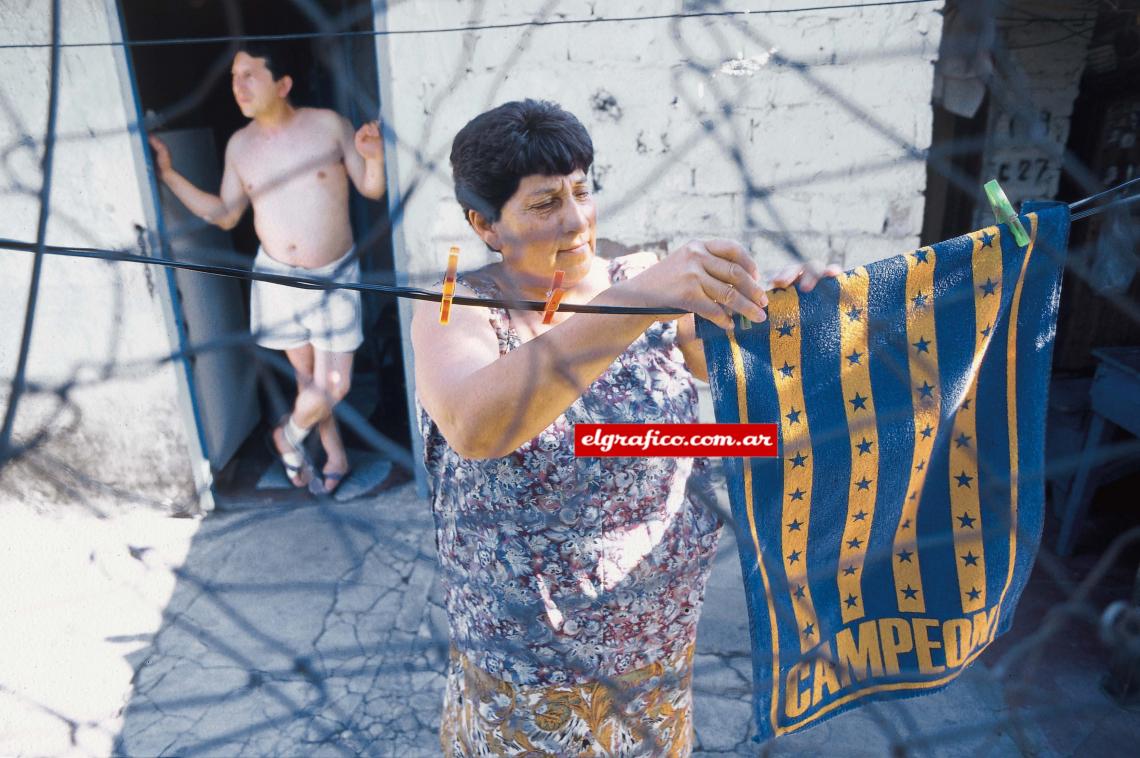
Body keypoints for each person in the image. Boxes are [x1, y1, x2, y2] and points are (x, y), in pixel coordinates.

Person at [411, 99, 839, 755]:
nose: (577, 218)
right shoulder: (456, 301)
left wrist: (789, 310)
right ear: (486, 224)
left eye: (583, 190)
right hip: (533, 666)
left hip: (654, 646)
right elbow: (474, 425)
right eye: (545, 203)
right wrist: (638, 304)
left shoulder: (635, 273)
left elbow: (714, 356)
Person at [149, 44, 385, 495]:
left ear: (283, 84)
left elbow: (371, 190)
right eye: (234, 77)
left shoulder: (328, 125)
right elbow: (225, 215)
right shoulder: (241, 145)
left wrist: (373, 157)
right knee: (308, 381)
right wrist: (169, 175)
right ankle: (334, 455)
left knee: (333, 383)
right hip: (277, 275)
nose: (238, 87)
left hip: (334, 275)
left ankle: (287, 437)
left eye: (249, 75)